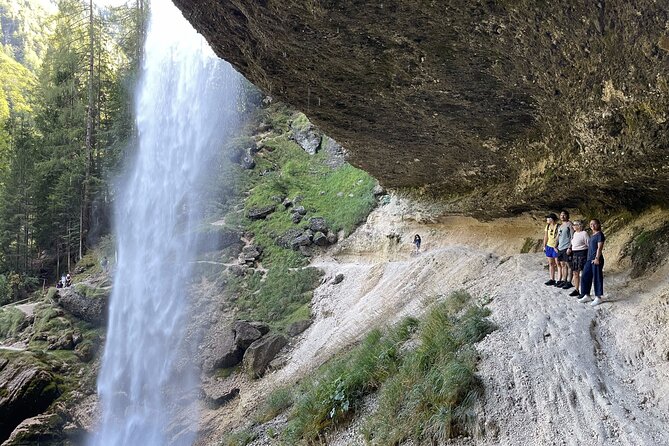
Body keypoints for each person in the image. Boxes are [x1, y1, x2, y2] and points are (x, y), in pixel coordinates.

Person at [578, 219, 606, 306]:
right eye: (591, 224)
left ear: (598, 224)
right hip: (589, 259)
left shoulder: (600, 234)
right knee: (585, 276)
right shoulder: (592, 235)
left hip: (596, 259)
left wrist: (597, 258)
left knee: (597, 277)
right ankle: (586, 295)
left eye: (594, 224)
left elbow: (599, 248)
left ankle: (598, 297)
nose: (592, 225)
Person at [568, 220, 589, 297]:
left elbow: (588, 244)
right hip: (575, 254)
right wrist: (570, 249)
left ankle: (584, 291)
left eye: (574, 225)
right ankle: (577, 289)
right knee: (575, 273)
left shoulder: (584, 233)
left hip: (582, 254)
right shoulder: (575, 233)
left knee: (583, 274)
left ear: (579, 226)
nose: (573, 226)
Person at [556, 210, 574, 288]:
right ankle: (564, 280)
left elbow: (572, 236)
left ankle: (569, 282)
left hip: (567, 247)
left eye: (564, 215)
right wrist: (555, 245)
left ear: (567, 216)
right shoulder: (560, 226)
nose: (562, 216)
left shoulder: (570, 224)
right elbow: (558, 236)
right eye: (561, 215)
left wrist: (570, 247)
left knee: (569, 265)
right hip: (560, 247)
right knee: (563, 265)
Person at [543, 213, 560, 285]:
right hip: (549, 246)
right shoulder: (547, 226)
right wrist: (544, 246)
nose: (547, 220)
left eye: (548, 218)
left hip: (556, 247)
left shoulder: (558, 226)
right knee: (550, 263)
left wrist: (558, 246)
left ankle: (559, 280)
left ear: (551, 219)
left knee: (558, 263)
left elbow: (560, 237)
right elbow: (546, 236)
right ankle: (552, 279)